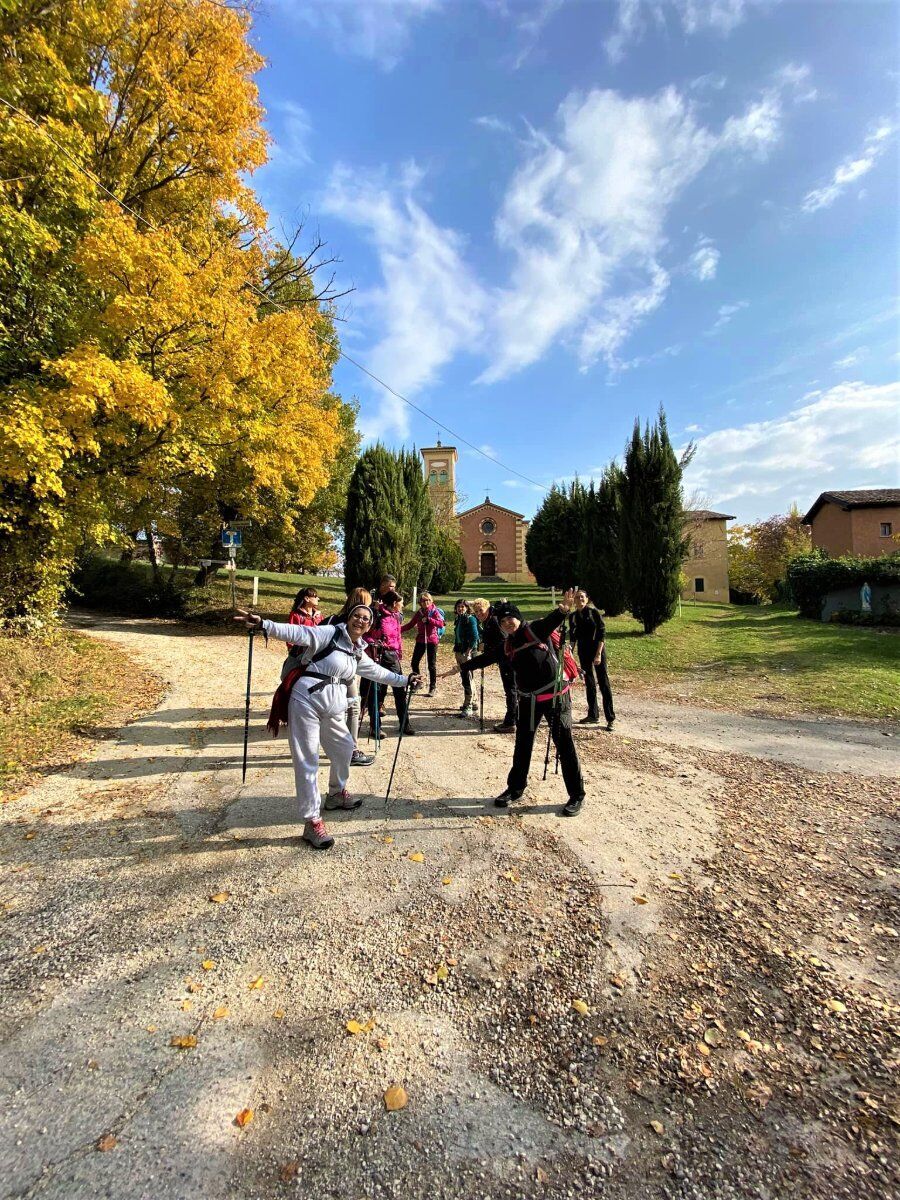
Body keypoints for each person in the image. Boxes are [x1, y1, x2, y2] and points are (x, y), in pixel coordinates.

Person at [235, 605, 421, 850]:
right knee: (307, 761)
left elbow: (376, 672)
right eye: (357, 615)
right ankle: (312, 820)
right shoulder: (329, 633)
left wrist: (404, 680)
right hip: (306, 701)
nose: (360, 620)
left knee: (345, 749)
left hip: (333, 708)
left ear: (369, 625)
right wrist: (264, 625)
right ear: (350, 617)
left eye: (366, 619)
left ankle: (335, 794)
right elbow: (298, 632)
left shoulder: (357, 651)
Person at [442, 590, 585, 817]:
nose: (508, 623)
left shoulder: (535, 630)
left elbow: (552, 621)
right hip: (528, 699)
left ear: (519, 618)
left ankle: (576, 795)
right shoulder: (507, 645)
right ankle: (515, 788)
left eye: (511, 618)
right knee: (522, 745)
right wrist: (459, 668)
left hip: (556, 697)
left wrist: (563, 609)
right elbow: (485, 659)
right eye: (504, 620)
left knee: (564, 744)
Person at [323, 588, 376, 767]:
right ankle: (351, 750)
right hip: (342, 671)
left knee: (337, 710)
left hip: (327, 672)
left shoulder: (334, 619)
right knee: (353, 706)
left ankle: (340, 747)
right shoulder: (349, 622)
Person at [363, 589, 415, 736]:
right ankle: (375, 727)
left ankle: (405, 724)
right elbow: (365, 636)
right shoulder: (377, 616)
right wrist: (374, 644)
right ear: (394, 603)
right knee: (377, 692)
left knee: (400, 690)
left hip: (392, 657)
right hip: (378, 656)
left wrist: (399, 653)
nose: (403, 605)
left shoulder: (397, 616)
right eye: (401, 602)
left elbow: (398, 636)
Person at [569, 588, 615, 730]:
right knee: (589, 682)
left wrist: (599, 654)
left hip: (597, 650)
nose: (580, 600)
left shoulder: (594, 613)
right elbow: (572, 637)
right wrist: (570, 654)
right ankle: (593, 714)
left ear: (587, 599)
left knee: (603, 683)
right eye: (577, 597)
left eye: (582, 597)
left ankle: (610, 718)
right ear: (574, 600)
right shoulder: (572, 617)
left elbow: (602, 633)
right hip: (584, 651)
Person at [470, 598, 517, 732]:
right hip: (504, 659)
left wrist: (489, 648)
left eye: (481, 610)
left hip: (508, 660)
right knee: (511, 690)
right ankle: (514, 717)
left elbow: (504, 640)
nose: (479, 613)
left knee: (511, 690)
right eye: (477, 611)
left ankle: (511, 722)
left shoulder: (494, 621)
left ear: (488, 609)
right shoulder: (488, 621)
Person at [402, 591, 444, 697]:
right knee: (414, 662)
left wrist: (429, 620)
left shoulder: (434, 611)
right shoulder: (420, 612)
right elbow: (411, 624)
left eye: (428, 600)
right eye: (423, 600)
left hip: (432, 640)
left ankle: (432, 687)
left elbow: (441, 624)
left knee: (431, 665)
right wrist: (397, 630)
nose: (426, 602)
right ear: (420, 602)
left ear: (431, 601)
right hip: (421, 639)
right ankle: (419, 682)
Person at [280, 587, 322, 680]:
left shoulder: (319, 616)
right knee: (286, 677)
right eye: (315, 596)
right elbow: (291, 633)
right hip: (298, 653)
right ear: (307, 599)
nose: (318, 598)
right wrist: (291, 649)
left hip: (316, 652)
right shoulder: (296, 615)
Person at [452, 599, 480, 716]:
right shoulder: (459, 619)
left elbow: (475, 637)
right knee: (468, 678)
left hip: (467, 652)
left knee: (467, 678)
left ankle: (468, 706)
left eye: (463, 607)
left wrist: (468, 651)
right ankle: (474, 702)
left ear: (467, 608)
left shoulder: (471, 619)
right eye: (458, 606)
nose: (460, 609)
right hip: (459, 650)